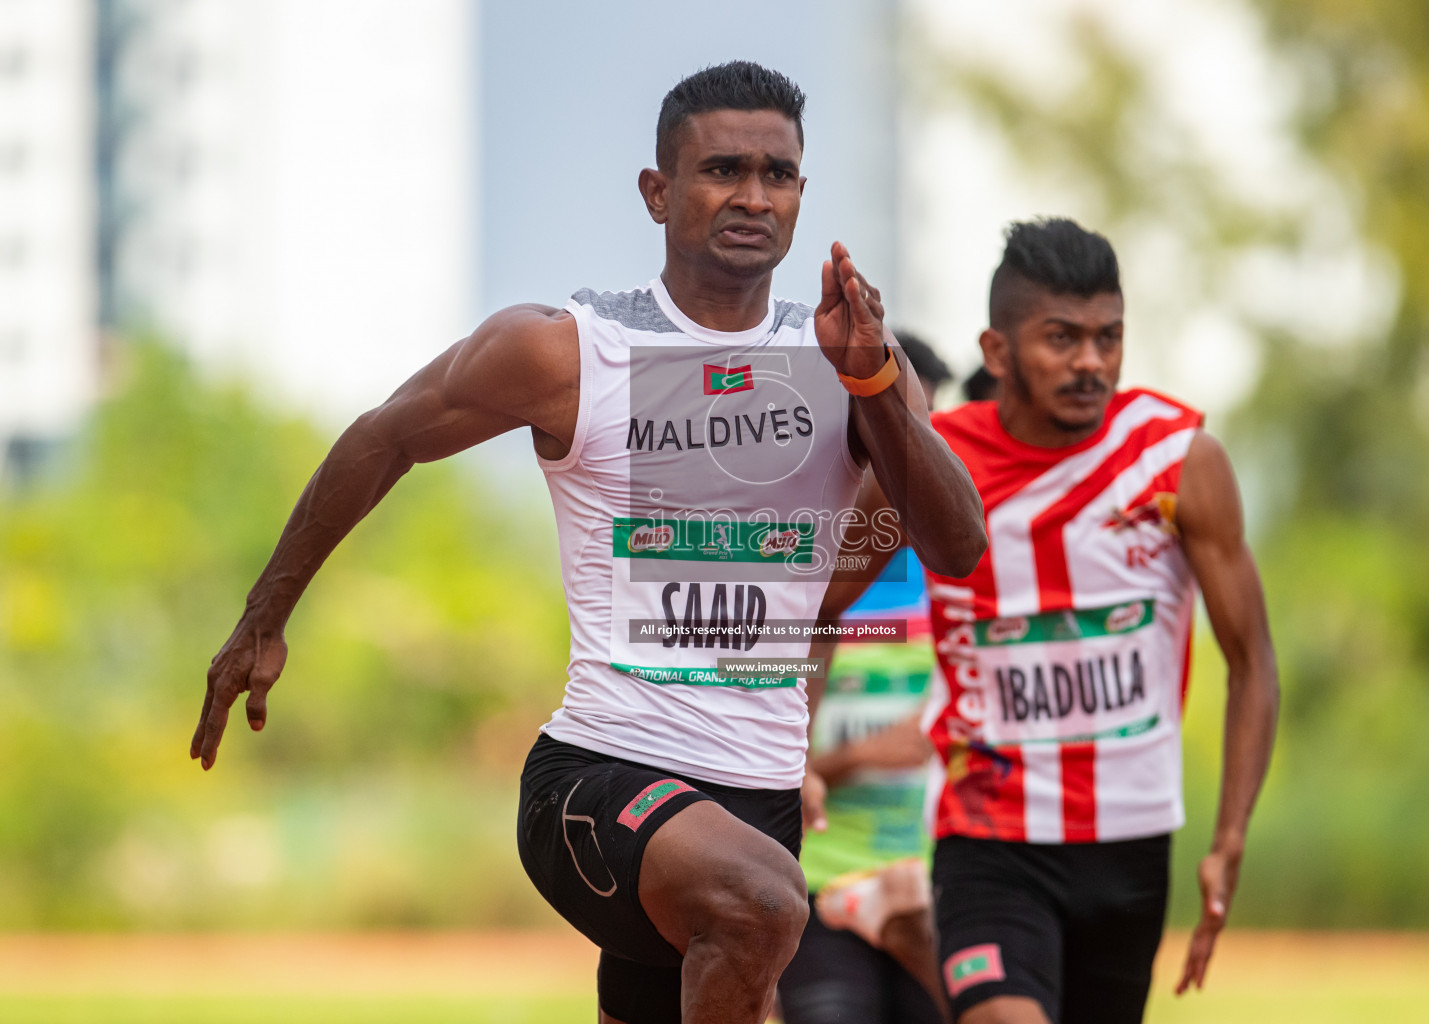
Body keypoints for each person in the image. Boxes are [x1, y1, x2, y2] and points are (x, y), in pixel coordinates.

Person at [190, 62, 987, 1024]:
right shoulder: (571, 350)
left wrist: (871, 387)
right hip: (599, 779)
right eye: (721, 168)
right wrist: (262, 618)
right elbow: (383, 437)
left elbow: (955, 546)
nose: (751, 194)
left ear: (802, 196)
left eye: (777, 174)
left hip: (761, 797)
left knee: (737, 913)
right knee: (765, 905)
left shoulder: (846, 359)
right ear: (657, 192)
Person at [811, 217, 1279, 1024]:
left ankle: (909, 933)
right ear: (997, 353)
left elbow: (1254, 661)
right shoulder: (930, 464)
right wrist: (795, 753)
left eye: (1109, 337)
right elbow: (815, 610)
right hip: (989, 836)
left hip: (1130, 844)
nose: (1091, 361)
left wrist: (1231, 833)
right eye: (1062, 338)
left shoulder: (1178, 460)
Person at [778, 332, 952, 1024]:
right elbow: (753, 748)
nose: (909, 453)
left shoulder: (958, 570)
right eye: (888, 424)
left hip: (934, 883)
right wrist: (851, 759)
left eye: (924, 428)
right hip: (824, 885)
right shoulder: (799, 573)